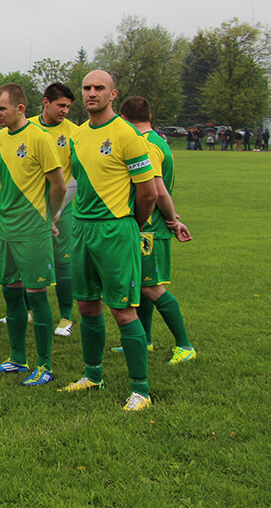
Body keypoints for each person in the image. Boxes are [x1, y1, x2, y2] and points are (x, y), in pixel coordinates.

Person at [57, 70, 158, 412]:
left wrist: (130, 225)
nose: (91, 93)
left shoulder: (128, 135)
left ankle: (140, 390)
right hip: (82, 229)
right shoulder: (79, 135)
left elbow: (148, 193)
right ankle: (93, 374)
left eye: (99, 88)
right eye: (87, 88)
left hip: (115, 230)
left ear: (113, 94)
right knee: (87, 306)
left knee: (123, 310)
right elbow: (76, 180)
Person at [0, 84, 66, 386]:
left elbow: (58, 185)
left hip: (33, 228)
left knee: (37, 295)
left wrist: (50, 216)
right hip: (6, 227)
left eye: (2, 109)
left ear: (20, 108)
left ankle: (44, 365)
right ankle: (17, 359)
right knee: (11, 292)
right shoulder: (0, 138)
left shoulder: (40, 138)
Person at [117, 96, 196, 365]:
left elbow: (158, 191)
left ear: (123, 118)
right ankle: (145, 340)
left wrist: (173, 221)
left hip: (150, 228)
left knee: (153, 289)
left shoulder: (147, 146)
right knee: (141, 285)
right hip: (151, 225)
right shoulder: (159, 140)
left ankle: (184, 345)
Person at [23, 82, 79, 337]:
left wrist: (56, 211)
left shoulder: (75, 134)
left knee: (62, 262)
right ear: (45, 102)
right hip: (31, 209)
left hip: (61, 209)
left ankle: (65, 317)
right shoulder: (28, 127)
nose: (65, 110)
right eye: (60, 105)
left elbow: (75, 178)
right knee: (28, 259)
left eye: (68, 106)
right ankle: (28, 311)